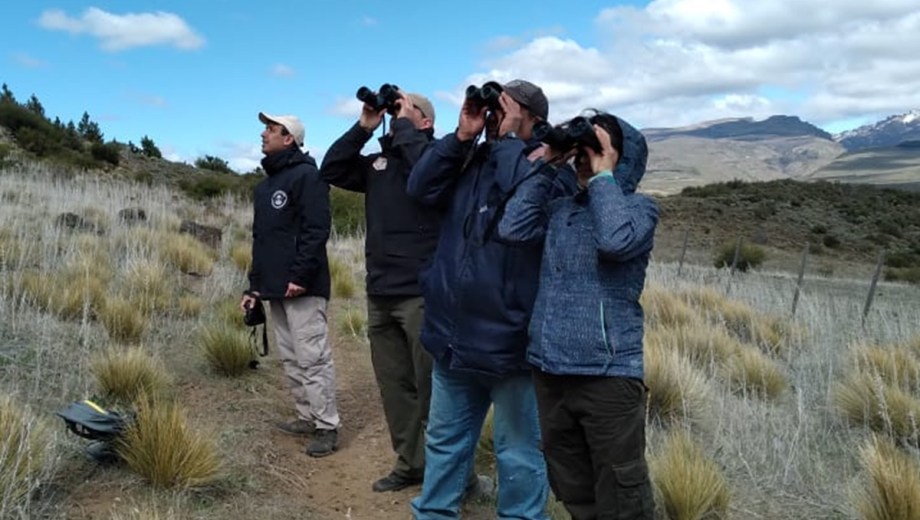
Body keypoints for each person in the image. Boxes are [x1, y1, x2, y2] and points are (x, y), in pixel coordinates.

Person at [406, 79, 577, 519]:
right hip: (453, 337)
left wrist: (506, 141)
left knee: (517, 453)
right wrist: (462, 135)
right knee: (444, 442)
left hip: (511, 345)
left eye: (505, 108)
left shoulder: (554, 168)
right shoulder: (472, 158)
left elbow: (522, 199)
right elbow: (419, 190)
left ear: (533, 118)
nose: (495, 114)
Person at [497, 110, 658, 519]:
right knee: (572, 483)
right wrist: (551, 165)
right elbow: (513, 228)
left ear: (622, 157)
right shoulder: (561, 209)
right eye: (582, 151)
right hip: (550, 371)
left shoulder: (640, 209)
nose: (584, 157)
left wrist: (604, 176)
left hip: (607, 375)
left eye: (593, 148)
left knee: (622, 491)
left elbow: (615, 241)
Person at [320, 90, 440, 492]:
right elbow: (332, 169)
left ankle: (450, 472)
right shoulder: (377, 165)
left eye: (408, 111)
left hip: (423, 293)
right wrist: (365, 126)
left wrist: (405, 125)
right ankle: (411, 464)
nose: (397, 115)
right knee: (395, 388)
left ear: (425, 122)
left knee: (433, 390)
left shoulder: (436, 159)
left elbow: (426, 169)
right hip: (381, 292)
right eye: (396, 111)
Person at [240, 112, 341, 458]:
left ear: (289, 139)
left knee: (312, 357)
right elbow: (261, 240)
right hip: (274, 287)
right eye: (265, 128)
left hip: (303, 287)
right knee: (290, 357)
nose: (263, 133)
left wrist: (299, 276)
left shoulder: (308, 177)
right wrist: (254, 287)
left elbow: (316, 231)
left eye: (271, 129)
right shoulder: (264, 187)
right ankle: (305, 415)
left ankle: (327, 426)